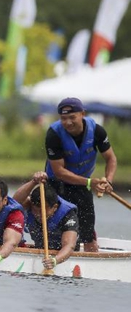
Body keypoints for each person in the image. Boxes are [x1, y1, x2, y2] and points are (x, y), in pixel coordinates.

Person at [45, 97, 117, 252]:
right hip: (56, 184)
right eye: (64, 118)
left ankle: (91, 254)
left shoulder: (97, 131)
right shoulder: (54, 134)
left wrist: (108, 181)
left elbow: (111, 158)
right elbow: (59, 171)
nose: (68, 122)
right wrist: (90, 183)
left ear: (82, 114)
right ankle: (55, 253)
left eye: (72, 117)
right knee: (57, 225)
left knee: (87, 227)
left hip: (82, 184)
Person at [13, 171, 79, 271]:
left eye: (43, 211)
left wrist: (55, 260)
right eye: (35, 210)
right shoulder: (29, 204)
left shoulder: (68, 214)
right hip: (42, 251)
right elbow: (14, 202)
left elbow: (69, 245)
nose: (39, 214)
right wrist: (33, 182)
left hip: (60, 256)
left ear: (55, 207)